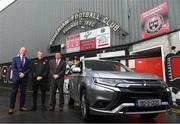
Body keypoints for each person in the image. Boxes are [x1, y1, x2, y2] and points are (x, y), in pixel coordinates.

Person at [8, 47, 31, 114]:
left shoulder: (28, 60)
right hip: (16, 78)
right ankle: (11, 108)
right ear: (20, 51)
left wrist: (24, 74)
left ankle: (22, 107)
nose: (23, 51)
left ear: (26, 52)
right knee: (13, 93)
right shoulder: (15, 59)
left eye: (25, 51)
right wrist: (19, 74)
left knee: (23, 93)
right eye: (22, 50)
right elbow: (13, 67)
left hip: (24, 78)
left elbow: (29, 69)